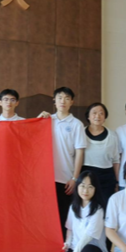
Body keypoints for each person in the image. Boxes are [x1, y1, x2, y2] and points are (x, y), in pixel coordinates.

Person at [39, 87, 87, 235]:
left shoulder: (76, 124)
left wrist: (75, 178)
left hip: (66, 179)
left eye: (67, 98)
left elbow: (80, 152)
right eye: (59, 98)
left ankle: (65, 247)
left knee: (64, 217)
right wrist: (38, 120)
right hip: (46, 178)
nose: (63, 101)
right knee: (45, 217)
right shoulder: (47, 120)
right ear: (54, 100)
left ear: (72, 102)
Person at [60, 171, 107, 252]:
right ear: (77, 187)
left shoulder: (98, 210)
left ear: (95, 189)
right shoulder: (73, 207)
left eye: (90, 187)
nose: (85, 190)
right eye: (82, 186)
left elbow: (88, 237)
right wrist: (67, 243)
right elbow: (70, 229)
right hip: (75, 250)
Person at [82, 103, 120, 209]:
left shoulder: (113, 136)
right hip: (85, 176)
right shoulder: (80, 133)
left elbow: (116, 160)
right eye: (94, 113)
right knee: (86, 208)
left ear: (105, 117)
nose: (97, 116)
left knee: (105, 208)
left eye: (101, 113)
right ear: (88, 116)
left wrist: (117, 181)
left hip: (106, 178)